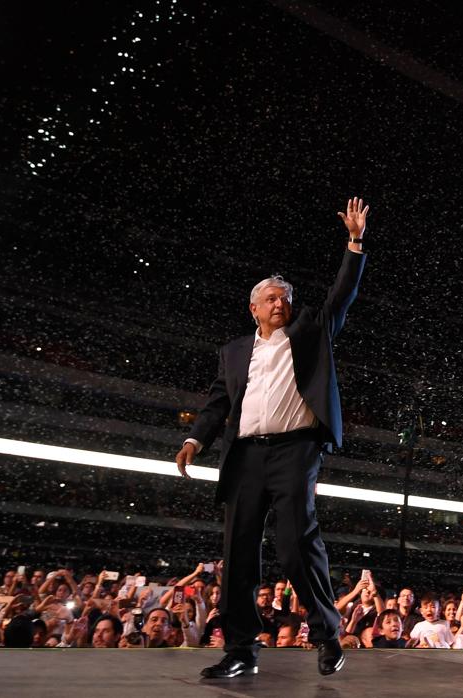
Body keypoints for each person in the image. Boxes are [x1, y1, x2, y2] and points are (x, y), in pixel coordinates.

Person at [175, 197, 370, 679]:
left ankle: (327, 634)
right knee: (237, 552)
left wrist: (355, 243)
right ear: (253, 308)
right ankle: (241, 650)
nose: (281, 302)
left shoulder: (310, 329)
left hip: (294, 450)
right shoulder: (234, 351)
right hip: (244, 456)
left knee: (293, 545)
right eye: (272, 298)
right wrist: (196, 441)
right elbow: (219, 402)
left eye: (285, 295)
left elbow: (340, 295)